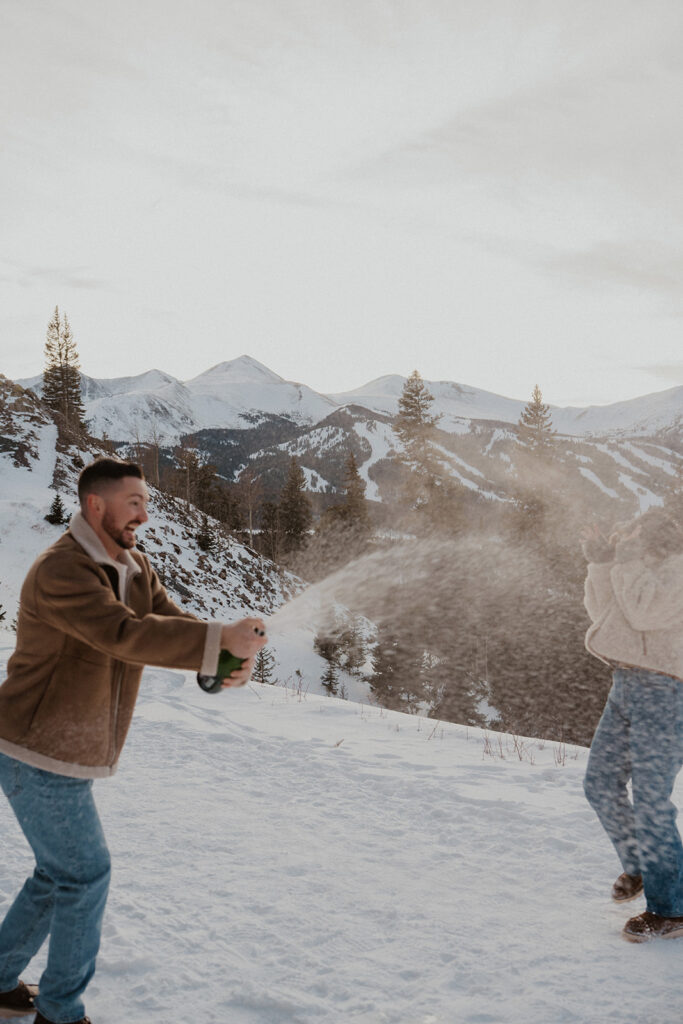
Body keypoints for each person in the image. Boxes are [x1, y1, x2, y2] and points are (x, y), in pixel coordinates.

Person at [0, 458, 267, 1023]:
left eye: (146, 502)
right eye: (134, 503)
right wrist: (218, 640)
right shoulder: (62, 571)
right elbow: (122, 634)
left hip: (71, 749)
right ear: (95, 505)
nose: (145, 515)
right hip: (33, 746)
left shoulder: (135, 566)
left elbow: (167, 622)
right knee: (84, 873)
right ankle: (60, 1011)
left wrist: (224, 658)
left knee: (58, 873)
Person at [582, 507, 683, 943]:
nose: (630, 537)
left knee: (650, 801)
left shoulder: (678, 568)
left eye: (637, 533)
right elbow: (603, 612)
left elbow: (645, 611)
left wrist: (627, 560)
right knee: (600, 783)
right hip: (626, 682)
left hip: (665, 691)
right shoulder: (638, 565)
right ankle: (643, 864)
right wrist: (602, 563)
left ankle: (671, 909)